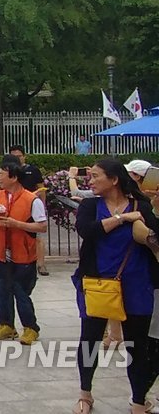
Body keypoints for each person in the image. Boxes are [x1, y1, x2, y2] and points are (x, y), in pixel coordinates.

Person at [72, 158, 159, 414]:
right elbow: (87, 230)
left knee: (137, 346)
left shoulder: (141, 206)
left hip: (137, 284)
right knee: (90, 341)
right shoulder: (90, 206)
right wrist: (122, 218)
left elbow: (155, 238)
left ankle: (138, 401)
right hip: (97, 282)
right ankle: (85, 394)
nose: (91, 181)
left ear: (114, 179)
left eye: (96, 176)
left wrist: (150, 217)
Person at [0, 158, 47, 345]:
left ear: (13, 177)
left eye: (1, 175)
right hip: (1, 252)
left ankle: (30, 328)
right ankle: (6, 325)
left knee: (21, 292)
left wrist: (16, 224)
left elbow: (42, 226)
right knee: (2, 290)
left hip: (23, 253)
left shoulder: (31, 199)